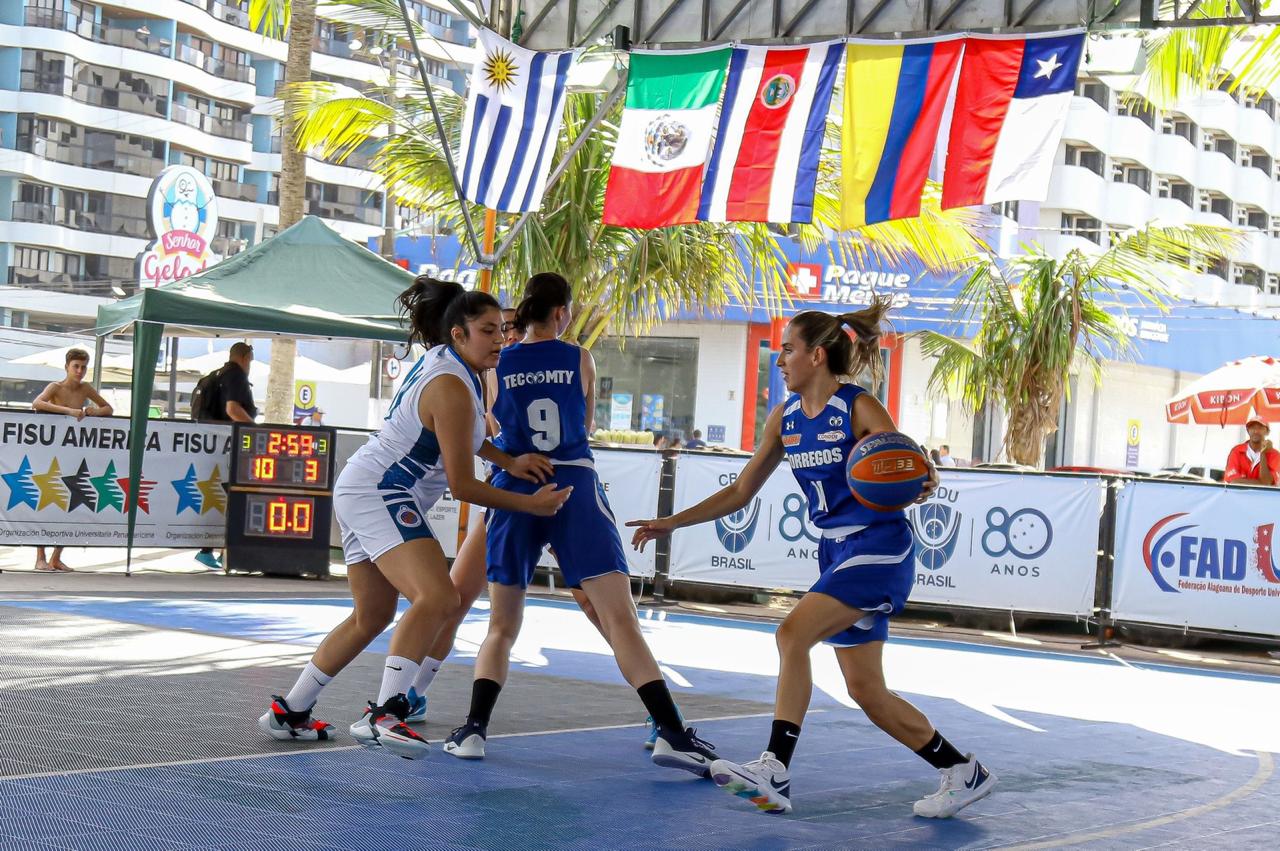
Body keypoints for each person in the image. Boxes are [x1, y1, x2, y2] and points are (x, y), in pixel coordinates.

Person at [629, 302, 996, 819]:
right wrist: (671, 522)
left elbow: (904, 463)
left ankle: (775, 768)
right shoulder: (785, 419)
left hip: (879, 545)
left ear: (816, 355)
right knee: (867, 691)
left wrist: (921, 476)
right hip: (836, 551)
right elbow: (740, 490)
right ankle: (963, 771)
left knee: (790, 635)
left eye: (787, 350)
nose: (779, 361)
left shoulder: (857, 406)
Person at [258, 277, 569, 760]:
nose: (501, 338)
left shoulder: (453, 368)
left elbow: (461, 438)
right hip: (382, 489)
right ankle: (385, 712)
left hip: (365, 487)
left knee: (374, 615)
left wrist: (508, 462)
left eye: (502, 329)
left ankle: (291, 711)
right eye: (489, 330)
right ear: (459, 334)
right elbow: (464, 486)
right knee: (438, 596)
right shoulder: (451, 385)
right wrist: (532, 504)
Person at [443, 272, 715, 776]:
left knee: (501, 625)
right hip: (575, 487)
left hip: (516, 485)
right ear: (563, 313)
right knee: (619, 620)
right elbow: (585, 425)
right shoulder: (580, 358)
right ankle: (671, 732)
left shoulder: (496, 363)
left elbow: (489, 429)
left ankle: (473, 729)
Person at [31, 347, 113, 572]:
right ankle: (40, 556)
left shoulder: (85, 388)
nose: (80, 371)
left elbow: (108, 408)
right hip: (51, 452)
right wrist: (68, 411)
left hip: (73, 452)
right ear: (67, 367)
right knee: (46, 497)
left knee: (71, 499)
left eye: (83, 367)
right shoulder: (55, 387)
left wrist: (90, 412)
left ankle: (56, 556)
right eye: (76, 366)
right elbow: (38, 403)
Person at [195, 342, 257, 570]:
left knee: (222, 500)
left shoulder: (218, 374)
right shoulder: (236, 376)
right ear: (245, 357)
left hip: (212, 448)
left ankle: (212, 549)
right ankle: (219, 550)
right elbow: (233, 409)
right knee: (236, 500)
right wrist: (256, 429)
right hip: (228, 448)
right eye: (250, 360)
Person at [1224, 416, 1278, 486]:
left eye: (1260, 428)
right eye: (1252, 428)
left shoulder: (1275, 455)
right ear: (1248, 430)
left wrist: (1263, 453)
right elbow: (1233, 481)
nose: (1255, 431)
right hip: (1239, 496)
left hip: (1263, 496)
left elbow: (1267, 482)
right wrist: (1260, 483)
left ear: (1267, 432)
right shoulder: (1236, 451)